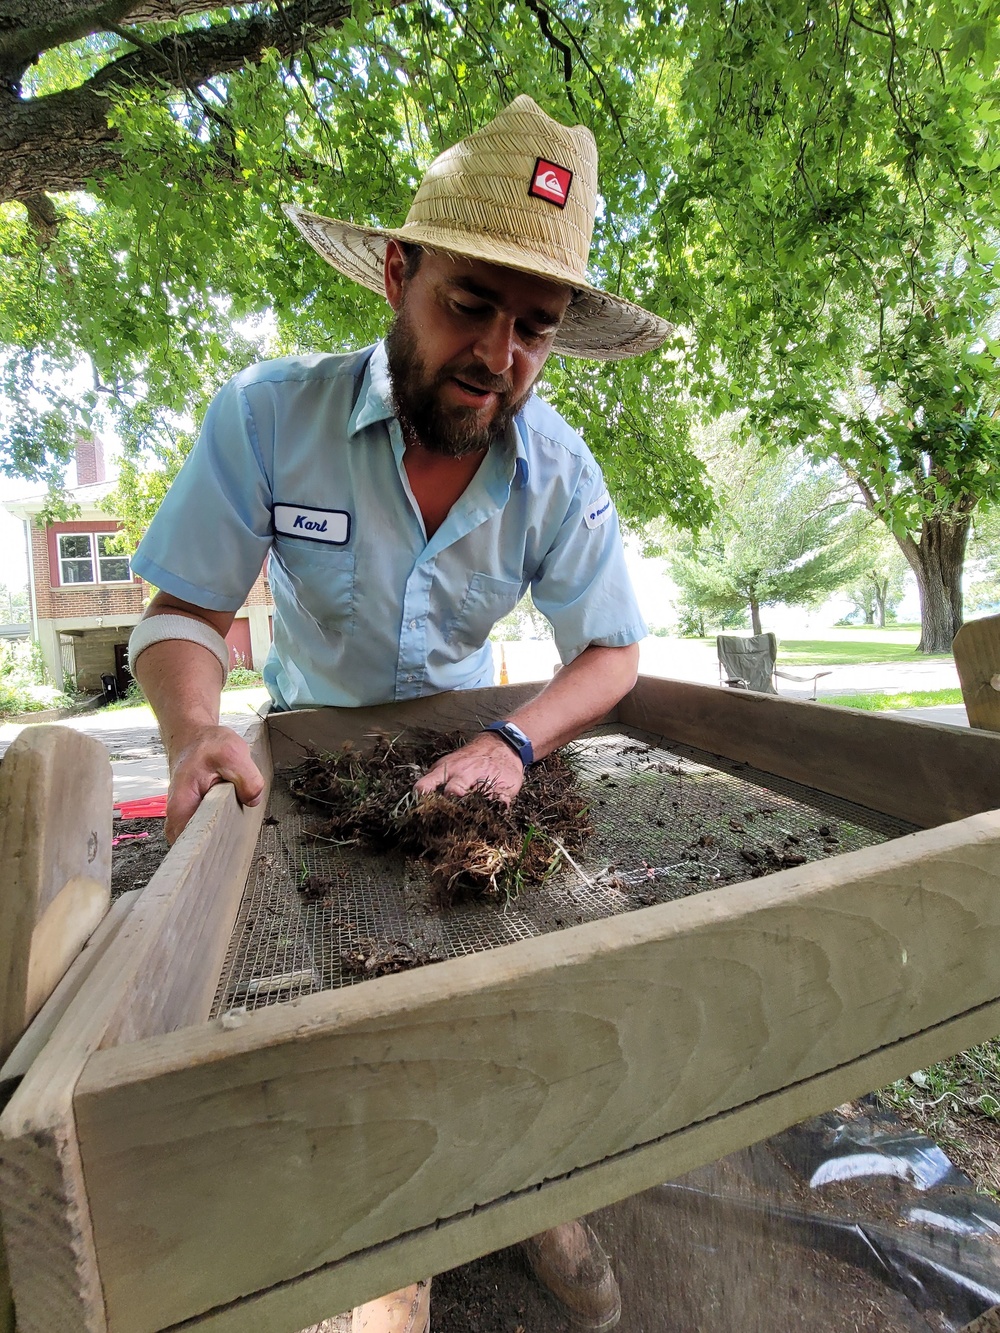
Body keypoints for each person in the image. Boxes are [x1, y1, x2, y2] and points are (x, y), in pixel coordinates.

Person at [128, 94, 669, 1333]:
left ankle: (542, 1193)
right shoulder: (269, 416)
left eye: (533, 328)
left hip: (468, 762)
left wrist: (513, 741)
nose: (499, 354)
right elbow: (180, 618)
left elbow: (614, 648)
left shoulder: (560, 472)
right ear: (397, 271)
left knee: (508, 995)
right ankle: (388, 1257)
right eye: (469, 304)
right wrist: (190, 725)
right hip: (306, 774)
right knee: (344, 1031)